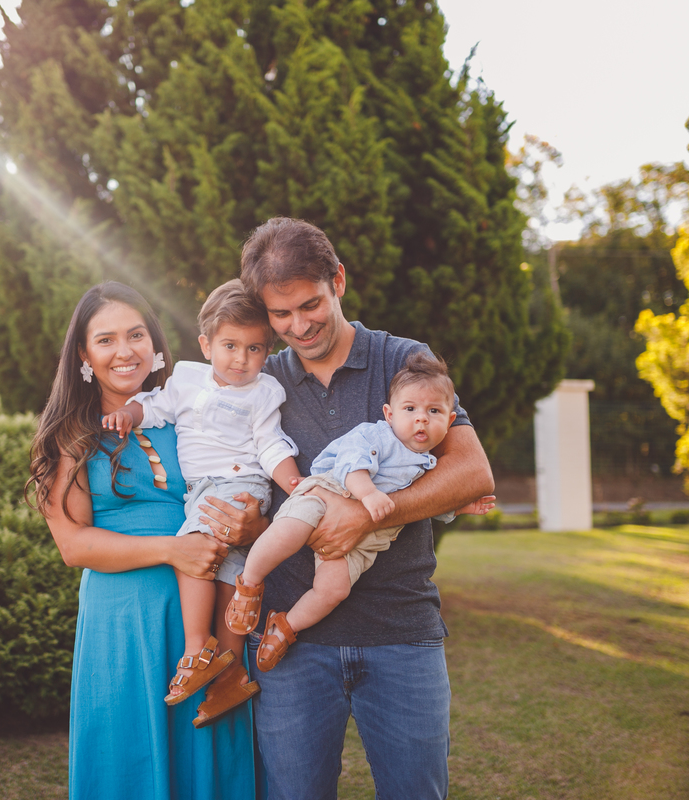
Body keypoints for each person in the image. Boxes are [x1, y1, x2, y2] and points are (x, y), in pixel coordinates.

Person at [238, 217, 497, 799]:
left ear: (339, 282)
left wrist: (365, 514)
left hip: (401, 634)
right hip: (292, 644)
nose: (298, 326)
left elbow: (472, 471)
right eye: (280, 315)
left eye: (311, 304)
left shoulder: (403, 360)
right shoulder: (263, 381)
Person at [28, 281, 263, 800]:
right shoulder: (68, 433)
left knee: (209, 757)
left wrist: (254, 527)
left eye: (136, 334)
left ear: (155, 343)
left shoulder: (194, 409)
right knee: (129, 758)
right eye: (106, 340)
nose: (124, 350)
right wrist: (170, 550)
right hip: (124, 623)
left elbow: (245, 484)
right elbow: (74, 546)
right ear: (85, 356)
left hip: (205, 619)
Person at [101, 279, 299, 724]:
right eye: (230, 346)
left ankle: (196, 649)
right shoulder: (186, 378)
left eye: (254, 349)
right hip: (206, 489)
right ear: (206, 345)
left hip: (236, 484)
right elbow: (151, 407)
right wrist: (126, 415)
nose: (241, 359)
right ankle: (230, 676)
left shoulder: (265, 391)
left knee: (192, 553)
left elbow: (271, 445)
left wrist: (294, 482)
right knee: (228, 571)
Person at [225, 351, 494, 672]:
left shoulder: (429, 464)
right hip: (328, 495)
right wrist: (367, 495)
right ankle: (250, 582)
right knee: (288, 531)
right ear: (390, 413)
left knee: (333, 589)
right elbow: (352, 464)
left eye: (433, 411)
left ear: (450, 421)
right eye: (410, 409)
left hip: (361, 542)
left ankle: (285, 627)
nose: (421, 418)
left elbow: (425, 504)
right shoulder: (377, 434)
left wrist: (458, 507)